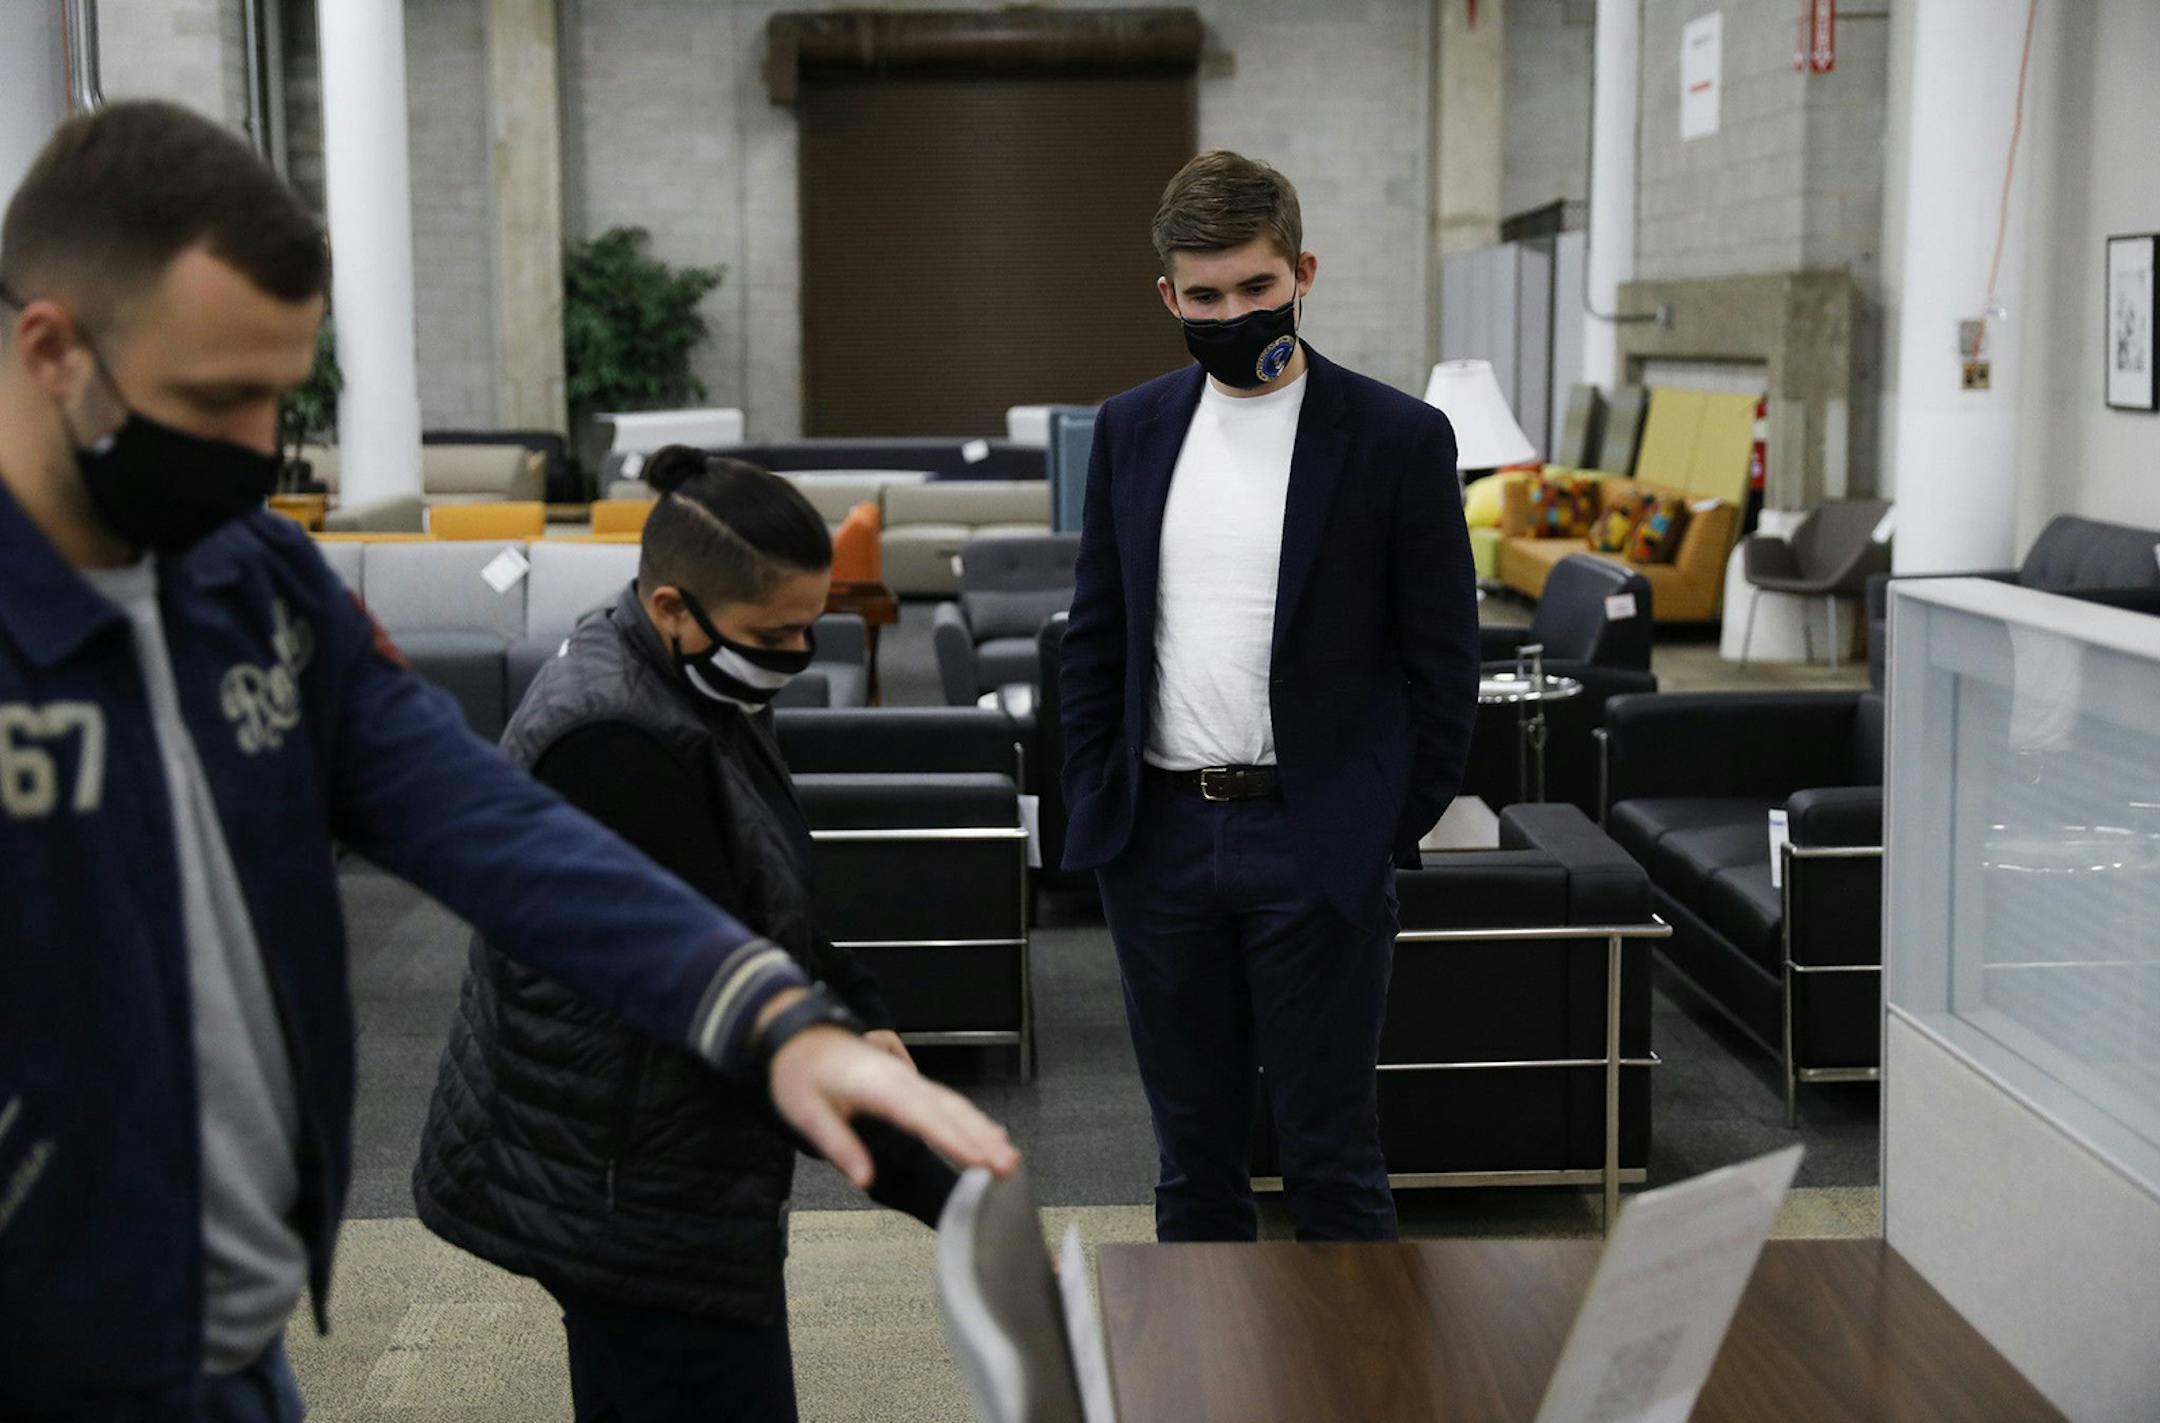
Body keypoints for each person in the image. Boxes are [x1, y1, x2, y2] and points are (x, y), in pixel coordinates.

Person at [0, 102, 1015, 1421]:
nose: (258, 448)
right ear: (50, 348)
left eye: (280, 395)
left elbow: (488, 822)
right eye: (215, 398)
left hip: (232, 1336)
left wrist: (769, 1014)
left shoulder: (257, 583)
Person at [412, 446, 957, 1421]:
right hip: (627, 1187)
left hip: (666, 1162)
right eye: (776, 634)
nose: (797, 656)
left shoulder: (693, 680)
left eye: (809, 626)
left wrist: (862, 1010)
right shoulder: (610, 744)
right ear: (671, 605)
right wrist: (957, 1200)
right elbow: (728, 989)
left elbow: (769, 886)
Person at [1059, 150, 1479, 1244]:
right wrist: (1100, 803)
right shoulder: (1133, 429)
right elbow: (1097, 638)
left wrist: (1381, 816)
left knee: (1333, 1158)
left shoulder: (1397, 439)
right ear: (1169, 297)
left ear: (1302, 271)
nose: (1232, 310)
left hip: (1317, 837)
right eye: (1205, 296)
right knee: (1192, 1166)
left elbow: (1444, 665)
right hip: (1156, 840)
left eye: (1255, 287)